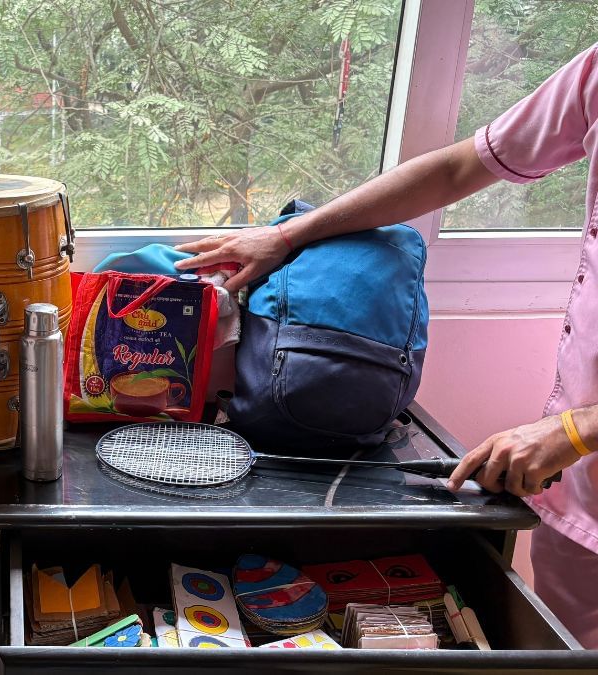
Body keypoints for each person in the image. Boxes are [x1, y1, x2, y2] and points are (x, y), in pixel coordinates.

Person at [174, 44, 598, 647]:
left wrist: (577, 428)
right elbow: (457, 170)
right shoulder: (594, 73)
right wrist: (285, 236)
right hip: (576, 478)